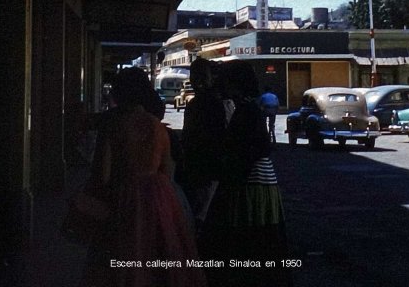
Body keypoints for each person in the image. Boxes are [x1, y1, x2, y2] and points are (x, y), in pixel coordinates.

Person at [78, 68, 205, 287]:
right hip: (159, 200)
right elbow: (166, 172)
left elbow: (103, 174)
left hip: (122, 200)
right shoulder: (158, 128)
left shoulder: (113, 126)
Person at [200, 60, 291, 287]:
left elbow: (244, 153)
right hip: (262, 183)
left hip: (250, 185)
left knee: (248, 242)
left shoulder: (246, 111)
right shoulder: (251, 108)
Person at [178, 58, 226, 233]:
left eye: (199, 76)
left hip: (204, 167)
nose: (195, 80)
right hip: (203, 166)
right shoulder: (212, 102)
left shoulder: (208, 103)